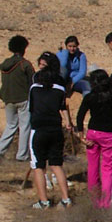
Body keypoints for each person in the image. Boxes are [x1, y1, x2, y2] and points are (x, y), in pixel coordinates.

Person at [75, 69, 112, 208]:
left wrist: (81, 135)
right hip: (108, 134)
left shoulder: (90, 97)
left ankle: (95, 201)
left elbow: (80, 116)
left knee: (92, 167)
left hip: (92, 133)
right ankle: (107, 202)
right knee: (108, 168)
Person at [28, 68, 73, 209]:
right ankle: (66, 199)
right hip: (55, 129)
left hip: (38, 129)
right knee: (56, 165)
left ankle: (43, 201)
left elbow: (31, 108)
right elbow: (62, 106)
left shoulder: (34, 89)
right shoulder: (60, 90)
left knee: (38, 166)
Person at [0, 35, 34, 161]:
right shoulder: (25, 64)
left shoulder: (5, 64)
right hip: (23, 99)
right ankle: (22, 155)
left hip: (8, 99)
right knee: (24, 127)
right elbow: (32, 83)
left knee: (10, 125)